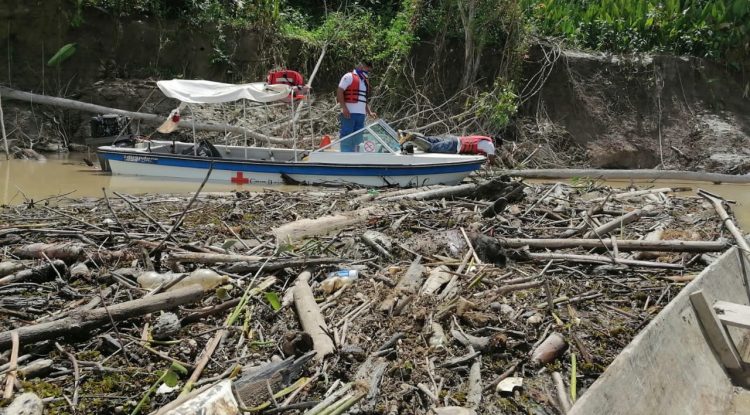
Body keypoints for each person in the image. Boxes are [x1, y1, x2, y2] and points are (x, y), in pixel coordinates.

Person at [336, 62, 376, 152]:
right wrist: (344, 108)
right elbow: (339, 91)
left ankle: (356, 156)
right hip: (349, 113)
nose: (368, 72)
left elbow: (363, 98)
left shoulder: (364, 80)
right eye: (367, 69)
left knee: (358, 137)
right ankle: (345, 156)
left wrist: (369, 112)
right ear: (362, 66)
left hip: (361, 114)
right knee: (347, 135)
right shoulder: (349, 76)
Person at [399, 131, 499, 163]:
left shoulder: (483, 139)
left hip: (453, 139)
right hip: (454, 146)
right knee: (431, 148)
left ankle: (405, 133)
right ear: (496, 143)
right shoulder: (490, 145)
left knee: (429, 139)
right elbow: (491, 159)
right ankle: (413, 138)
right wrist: (493, 162)